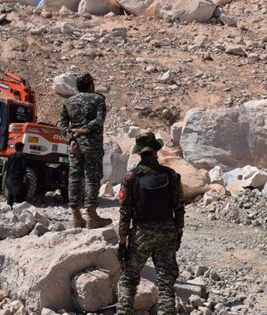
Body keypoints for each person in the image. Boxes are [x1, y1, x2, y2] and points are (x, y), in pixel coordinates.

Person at [117, 131, 185, 315]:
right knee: (166, 280)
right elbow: (179, 208)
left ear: (139, 153)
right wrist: (178, 232)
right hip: (167, 231)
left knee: (129, 278)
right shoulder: (171, 175)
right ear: (155, 151)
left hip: (141, 234)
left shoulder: (131, 178)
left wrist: (122, 242)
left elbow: (125, 213)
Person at [59, 72, 112, 229]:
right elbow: (99, 120)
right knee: (91, 177)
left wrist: (71, 138)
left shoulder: (68, 102)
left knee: (74, 177)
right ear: (90, 85)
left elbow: (62, 125)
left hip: (75, 146)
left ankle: (76, 217)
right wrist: (84, 130)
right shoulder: (98, 99)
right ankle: (91, 216)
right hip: (92, 145)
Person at [4, 142, 27, 207]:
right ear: (22, 148)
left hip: (10, 177)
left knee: (10, 194)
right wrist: (24, 176)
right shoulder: (23, 156)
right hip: (17, 177)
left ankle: (9, 207)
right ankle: (17, 208)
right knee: (19, 194)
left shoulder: (10, 155)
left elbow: (8, 167)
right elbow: (23, 167)